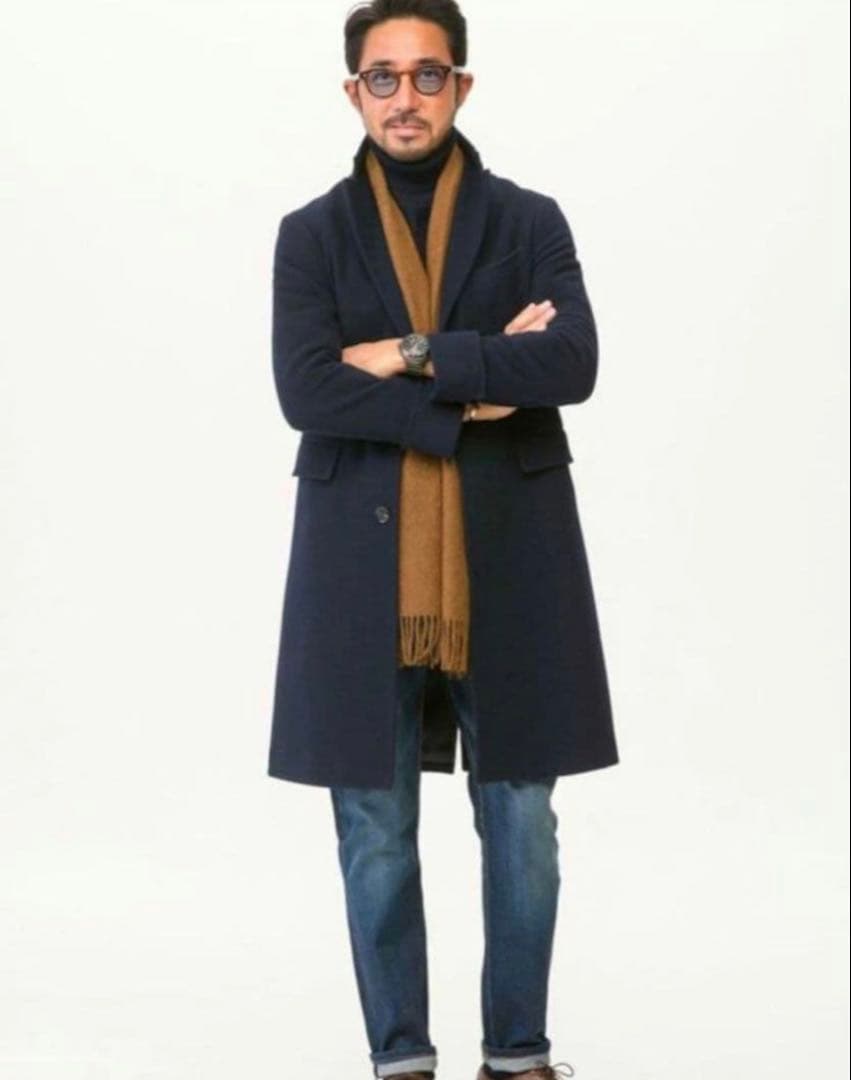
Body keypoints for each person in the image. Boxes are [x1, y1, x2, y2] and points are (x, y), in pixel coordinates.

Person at [266, 2, 620, 1077]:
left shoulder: (528, 221)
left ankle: (518, 1057)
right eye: (383, 77)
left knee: (520, 820)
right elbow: (306, 390)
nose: (405, 97)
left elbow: (569, 365)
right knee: (373, 827)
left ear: (460, 86)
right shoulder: (311, 235)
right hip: (358, 568)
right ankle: (401, 1061)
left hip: (507, 557)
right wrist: (473, 385)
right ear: (353, 92)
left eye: (427, 75)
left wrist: (407, 352)